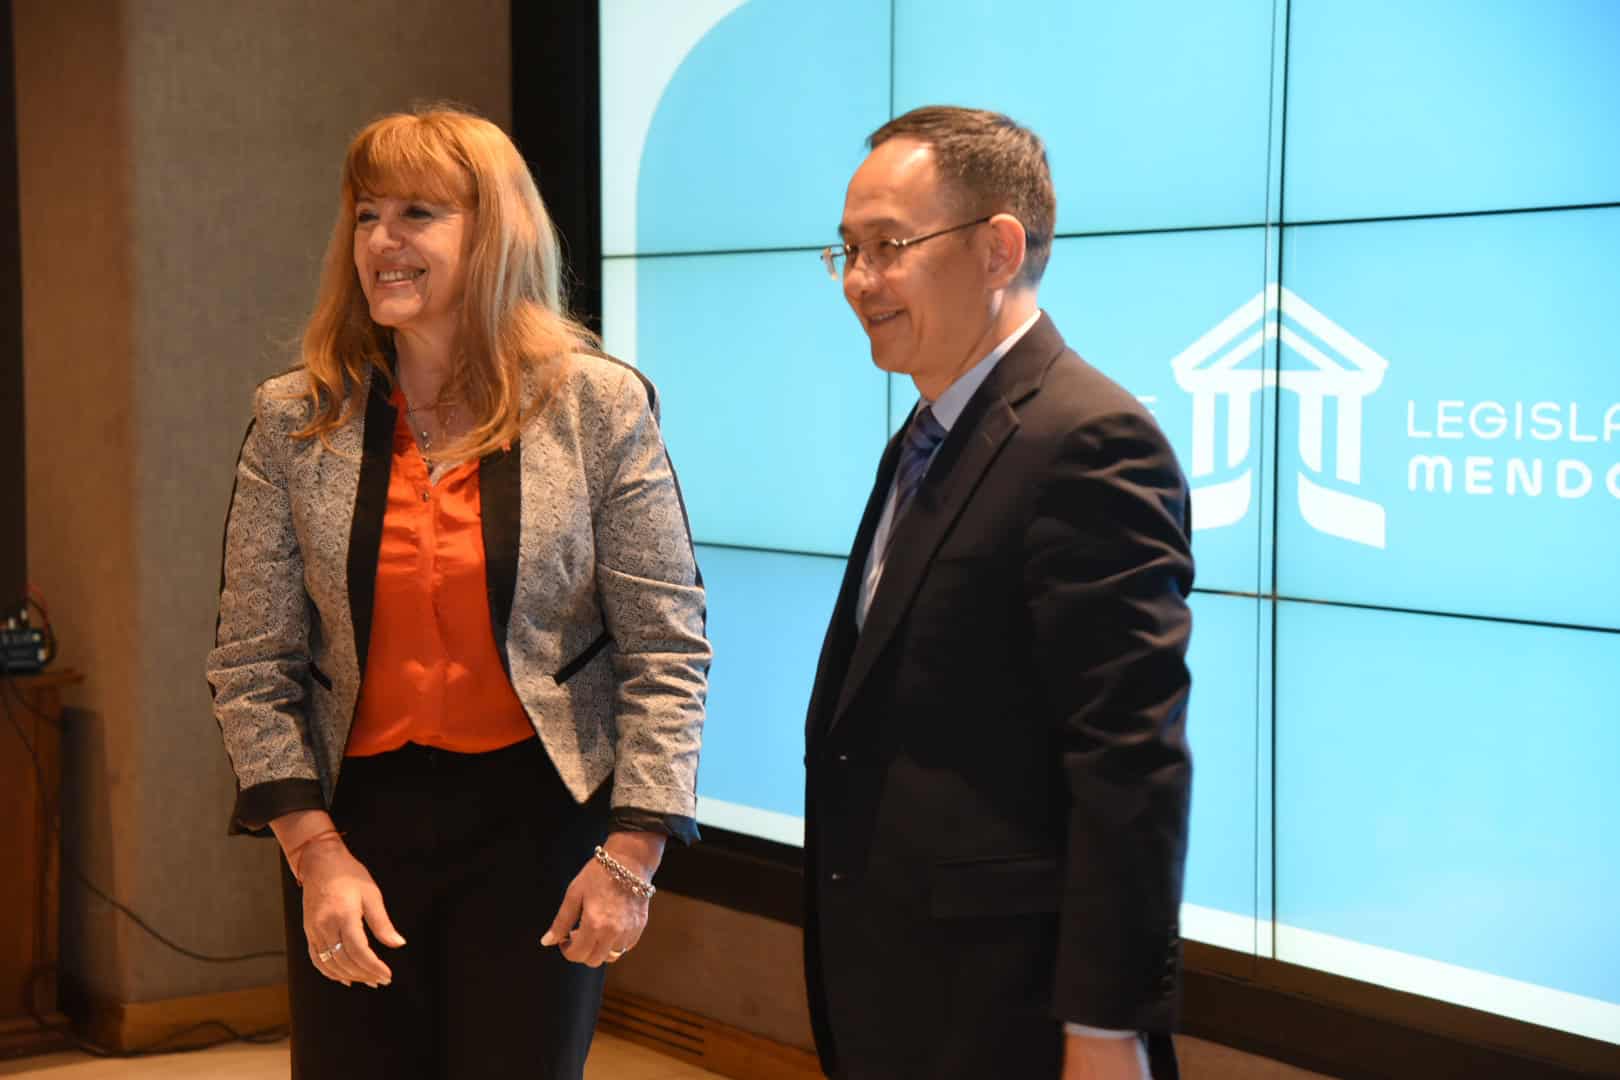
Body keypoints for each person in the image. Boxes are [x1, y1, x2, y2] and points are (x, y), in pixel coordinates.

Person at [206, 106, 709, 1080]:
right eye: (366, 215)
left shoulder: (597, 405)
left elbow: (666, 647)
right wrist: (314, 854)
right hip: (354, 827)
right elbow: (252, 662)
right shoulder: (296, 417)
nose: (381, 241)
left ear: (495, 235)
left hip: (542, 824)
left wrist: (633, 856)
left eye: (418, 214)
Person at [803, 106, 1195, 1079]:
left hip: (1011, 1007)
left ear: (998, 249)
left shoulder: (1088, 439)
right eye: (849, 249)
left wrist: (1104, 1024)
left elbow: (1128, 760)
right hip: (900, 982)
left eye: (889, 246)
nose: (859, 281)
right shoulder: (925, 435)